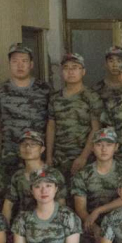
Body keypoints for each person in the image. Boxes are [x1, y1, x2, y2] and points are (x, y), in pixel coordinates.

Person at [0, 43, 52, 206]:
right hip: (10, 152)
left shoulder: (44, 89)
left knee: (39, 193)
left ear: (31, 64)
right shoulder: (0, 90)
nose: (20, 65)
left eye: (24, 61)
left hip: (38, 154)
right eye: (15, 61)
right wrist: (12, 133)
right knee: (6, 195)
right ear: (9, 64)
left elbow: (52, 121)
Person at [70, 127, 122, 243]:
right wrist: (95, 228)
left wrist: (99, 210)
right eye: (99, 145)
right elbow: (80, 208)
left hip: (117, 225)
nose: (104, 149)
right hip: (90, 224)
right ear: (92, 147)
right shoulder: (83, 175)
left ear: (116, 147)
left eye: (108, 145)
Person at [46, 52, 102, 183]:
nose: (70, 72)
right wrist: (48, 156)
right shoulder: (55, 98)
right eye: (66, 68)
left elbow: (96, 129)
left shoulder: (92, 97)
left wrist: (83, 157)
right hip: (59, 158)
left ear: (83, 72)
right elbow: (51, 126)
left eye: (75, 67)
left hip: (83, 157)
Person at [3, 131, 67, 223]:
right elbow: (8, 205)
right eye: (24, 144)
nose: (28, 147)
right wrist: (5, 228)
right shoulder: (17, 176)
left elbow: (61, 204)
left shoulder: (54, 174)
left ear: (42, 149)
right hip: (24, 224)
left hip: (49, 224)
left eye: (33, 144)